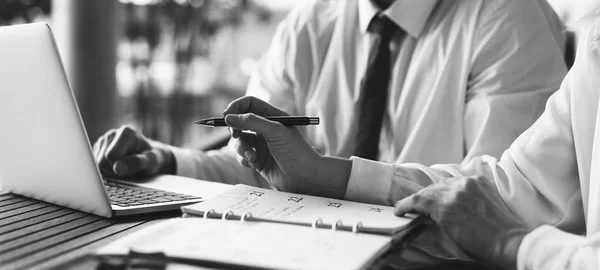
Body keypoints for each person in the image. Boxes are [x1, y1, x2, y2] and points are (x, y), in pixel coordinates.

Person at [222, 3, 600, 270]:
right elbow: (515, 188)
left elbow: (499, 218)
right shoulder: (306, 23)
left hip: (445, 269)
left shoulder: (507, 17)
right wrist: (324, 173)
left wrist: (512, 246)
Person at [94, 0, 567, 187]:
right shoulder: (308, 26)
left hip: (437, 264)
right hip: (316, 247)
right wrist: (168, 161)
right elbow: (263, 168)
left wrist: (329, 177)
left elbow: (499, 196)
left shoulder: (508, 17)